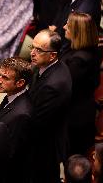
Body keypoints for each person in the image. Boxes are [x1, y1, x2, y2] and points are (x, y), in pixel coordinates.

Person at [28, 29, 72, 183]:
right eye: (32, 47)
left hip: (45, 144)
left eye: (38, 50)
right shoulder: (46, 66)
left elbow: (36, 121)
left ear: (52, 55)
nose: (32, 53)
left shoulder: (53, 85)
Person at [61, 12, 101, 156]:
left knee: (73, 158)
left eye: (69, 26)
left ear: (78, 32)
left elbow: (64, 88)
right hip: (83, 105)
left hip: (76, 117)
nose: (64, 27)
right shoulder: (91, 48)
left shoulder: (79, 61)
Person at [0, 56, 33, 182]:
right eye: (0, 75)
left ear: (20, 83)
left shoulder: (22, 115)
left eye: (5, 78)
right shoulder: (12, 95)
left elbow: (11, 153)